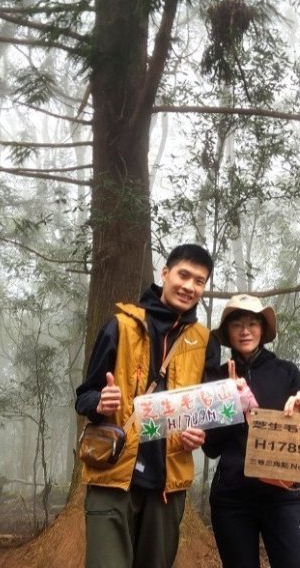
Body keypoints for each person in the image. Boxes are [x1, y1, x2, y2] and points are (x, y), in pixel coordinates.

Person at [75, 243, 221, 568]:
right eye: (183, 275)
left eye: (199, 281)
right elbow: (84, 396)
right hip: (113, 477)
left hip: (167, 486)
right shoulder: (120, 326)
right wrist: (100, 402)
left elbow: (206, 413)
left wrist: (200, 434)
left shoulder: (204, 342)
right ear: (165, 273)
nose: (189, 286)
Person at [203, 293, 300, 568]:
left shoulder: (286, 372)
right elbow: (211, 447)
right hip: (232, 499)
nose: (245, 331)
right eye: (236, 325)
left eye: (252, 323)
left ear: (262, 330)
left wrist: (299, 412)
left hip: (282, 495)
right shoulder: (217, 378)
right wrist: (229, 402)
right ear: (228, 333)